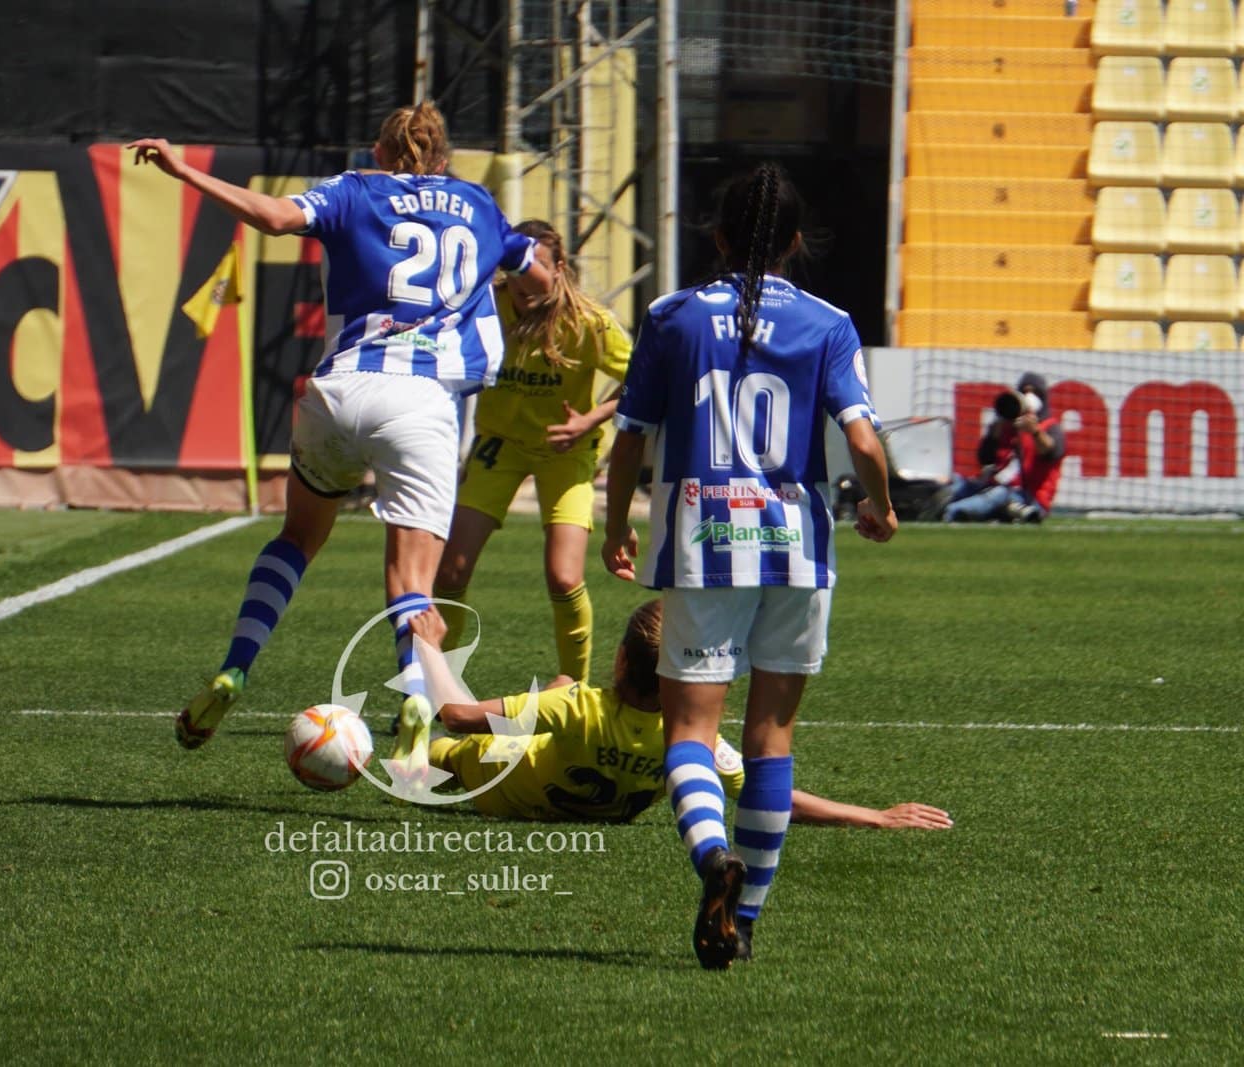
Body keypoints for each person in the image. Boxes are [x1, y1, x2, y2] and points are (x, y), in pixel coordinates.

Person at [127, 103, 551, 777]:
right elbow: (538, 275)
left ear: (381, 153)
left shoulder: (353, 188)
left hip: (342, 391)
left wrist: (182, 169)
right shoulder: (477, 203)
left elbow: (271, 217)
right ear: (443, 160)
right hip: (422, 405)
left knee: (297, 537)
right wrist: (537, 293)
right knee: (410, 583)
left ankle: (235, 668)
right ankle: (416, 703)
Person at [600, 162, 898, 969]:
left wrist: (617, 523)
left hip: (702, 541)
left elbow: (628, 437)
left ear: (720, 236)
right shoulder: (830, 322)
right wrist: (882, 504)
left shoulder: (671, 317)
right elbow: (864, 442)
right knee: (771, 738)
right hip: (795, 548)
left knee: (690, 732)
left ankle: (710, 859)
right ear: (798, 242)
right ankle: (748, 918)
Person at [411, 603, 951, 830]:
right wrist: (875, 816)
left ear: (621, 660)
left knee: (436, 750)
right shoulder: (694, 742)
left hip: (494, 782)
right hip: (583, 802)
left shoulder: (578, 704)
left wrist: (431, 647)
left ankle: (403, 742)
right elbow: (773, 796)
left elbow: (457, 715)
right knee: (554, 696)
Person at [434, 220, 631, 684]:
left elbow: (647, 379)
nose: (525, 281)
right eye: (516, 268)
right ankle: (434, 686)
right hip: (498, 446)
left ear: (559, 269)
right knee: (451, 571)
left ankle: (573, 687)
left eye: (536, 267)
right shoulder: (484, 307)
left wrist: (590, 418)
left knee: (563, 577)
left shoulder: (590, 322)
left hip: (566, 452)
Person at [941, 372, 1066, 524]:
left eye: (1034, 392)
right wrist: (994, 434)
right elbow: (985, 459)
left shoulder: (1050, 427)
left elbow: (1051, 452)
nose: (1029, 396)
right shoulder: (1006, 426)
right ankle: (927, 505)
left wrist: (1035, 431)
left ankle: (951, 512)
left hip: (1029, 497)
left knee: (999, 495)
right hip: (994, 486)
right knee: (957, 481)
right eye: (1025, 391)